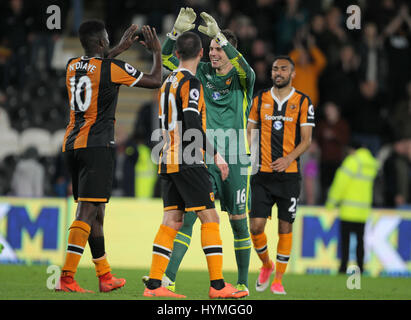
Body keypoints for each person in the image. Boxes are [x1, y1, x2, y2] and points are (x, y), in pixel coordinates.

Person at [57, 20, 162, 293]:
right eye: (107, 40)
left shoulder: (71, 65)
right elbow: (155, 81)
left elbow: (97, 65)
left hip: (72, 145)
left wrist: (118, 49)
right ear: (102, 42)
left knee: (96, 213)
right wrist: (157, 52)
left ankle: (105, 277)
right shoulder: (112, 68)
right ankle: (66, 277)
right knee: (87, 211)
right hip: (97, 146)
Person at [157, 7, 255, 294]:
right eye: (210, 48)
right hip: (205, 157)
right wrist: (174, 33)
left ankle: (241, 283)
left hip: (236, 159)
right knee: (189, 217)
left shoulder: (241, 78)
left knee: (239, 224)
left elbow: (246, 68)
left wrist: (220, 37)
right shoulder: (200, 72)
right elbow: (166, 59)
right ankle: (168, 278)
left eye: (217, 48)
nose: (212, 53)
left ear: (229, 50)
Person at [247, 56, 315, 295]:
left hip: (289, 176)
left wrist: (288, 159)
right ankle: (266, 265)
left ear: (292, 74)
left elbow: (306, 140)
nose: (278, 72)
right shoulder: (260, 99)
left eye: (283, 69)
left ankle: (278, 280)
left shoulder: (303, 102)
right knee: (255, 227)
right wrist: (248, 154)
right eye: (275, 69)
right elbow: (250, 131)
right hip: (261, 175)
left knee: (285, 228)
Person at [325, 141, 379, 274]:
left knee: (345, 240)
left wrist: (331, 202)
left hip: (349, 209)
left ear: (351, 150)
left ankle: (343, 267)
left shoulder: (352, 161)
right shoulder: (371, 163)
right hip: (363, 210)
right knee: (360, 240)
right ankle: (360, 267)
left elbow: (340, 183)